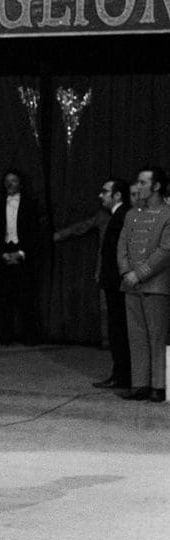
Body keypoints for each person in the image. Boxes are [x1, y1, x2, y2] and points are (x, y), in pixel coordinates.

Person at [54, 177, 132, 389]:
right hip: (111, 279)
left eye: (105, 191)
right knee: (116, 327)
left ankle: (123, 375)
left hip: (119, 282)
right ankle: (119, 373)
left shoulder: (124, 215)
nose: (100, 195)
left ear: (117, 195)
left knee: (120, 328)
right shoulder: (108, 215)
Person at [117, 166, 170, 403]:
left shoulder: (168, 214)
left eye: (142, 183)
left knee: (156, 336)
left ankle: (158, 385)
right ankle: (139, 383)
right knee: (136, 336)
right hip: (131, 284)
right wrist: (126, 271)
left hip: (155, 284)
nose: (138, 187)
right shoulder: (131, 214)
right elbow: (122, 246)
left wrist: (140, 274)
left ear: (156, 186)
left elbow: (165, 251)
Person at [0, 170, 43, 345]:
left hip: (23, 254)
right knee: (4, 298)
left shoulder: (30, 205)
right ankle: (7, 336)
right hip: (3, 254)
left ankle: (29, 336)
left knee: (26, 298)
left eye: (14, 180)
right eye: (7, 181)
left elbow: (35, 233)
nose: (10, 184)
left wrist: (21, 253)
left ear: (20, 184)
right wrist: (2, 254)